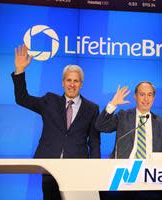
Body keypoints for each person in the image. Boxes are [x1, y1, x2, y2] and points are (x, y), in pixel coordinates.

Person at [11, 44, 100, 200]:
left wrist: (95, 169)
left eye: (76, 81)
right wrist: (20, 71)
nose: (72, 84)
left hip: (77, 168)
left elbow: (94, 141)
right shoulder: (49, 101)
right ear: (62, 82)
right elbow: (22, 99)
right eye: (68, 80)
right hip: (50, 166)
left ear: (81, 84)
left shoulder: (92, 108)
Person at [95, 82, 162, 159]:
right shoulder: (123, 116)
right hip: (124, 167)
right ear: (135, 96)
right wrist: (113, 104)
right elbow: (100, 126)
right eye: (142, 94)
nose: (146, 98)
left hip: (151, 169)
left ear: (153, 98)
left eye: (149, 95)